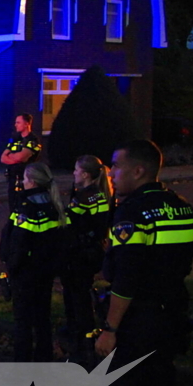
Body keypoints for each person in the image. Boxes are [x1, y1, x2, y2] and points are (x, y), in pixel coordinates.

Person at [68, 140, 193, 386]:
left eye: (116, 168)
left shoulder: (132, 212)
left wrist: (110, 328)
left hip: (136, 326)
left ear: (139, 171)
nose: (111, 175)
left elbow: (126, 279)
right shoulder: (182, 206)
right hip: (170, 324)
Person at [0, 162, 65, 362]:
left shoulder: (27, 208)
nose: (22, 182)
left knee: (23, 323)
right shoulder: (55, 206)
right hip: (46, 272)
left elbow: (19, 244)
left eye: (25, 179)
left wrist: (11, 268)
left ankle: (23, 365)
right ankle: (44, 359)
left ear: (33, 182)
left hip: (26, 274)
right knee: (42, 318)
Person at [59, 155, 113, 361]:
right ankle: (84, 332)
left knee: (77, 294)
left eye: (75, 170)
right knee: (81, 291)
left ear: (85, 174)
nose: (73, 173)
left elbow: (69, 223)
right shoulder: (98, 194)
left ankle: (82, 338)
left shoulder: (84, 197)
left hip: (81, 254)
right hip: (92, 252)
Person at [0, 113, 42, 211]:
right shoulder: (15, 138)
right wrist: (16, 158)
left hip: (26, 181)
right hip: (13, 180)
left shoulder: (33, 140)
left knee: (25, 209)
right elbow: (2, 158)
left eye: (18, 122)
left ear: (26, 124)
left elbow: (21, 157)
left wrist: (11, 156)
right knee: (12, 208)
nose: (15, 125)